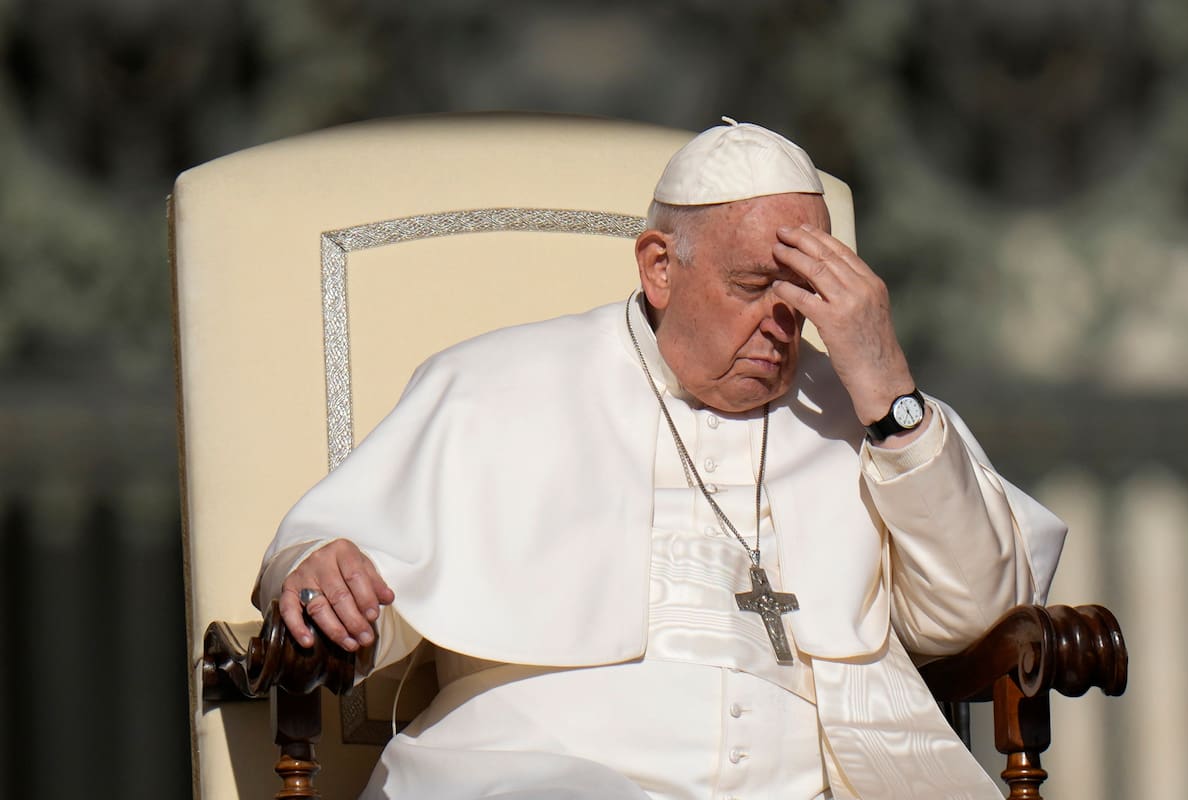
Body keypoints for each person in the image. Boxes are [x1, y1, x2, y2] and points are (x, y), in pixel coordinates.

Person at [255, 118, 1066, 799]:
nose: (783, 326)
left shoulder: (862, 412)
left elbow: (978, 612)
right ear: (659, 267)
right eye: (754, 287)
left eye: (806, 296)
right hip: (536, 774)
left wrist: (888, 386)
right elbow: (335, 556)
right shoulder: (492, 383)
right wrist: (321, 567)